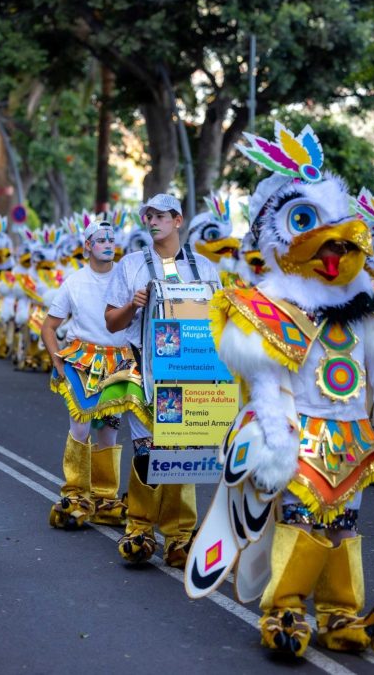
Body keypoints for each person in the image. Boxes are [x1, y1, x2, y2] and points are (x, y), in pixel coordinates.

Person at [186, 122, 374, 658]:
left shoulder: (373, 305)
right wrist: (276, 442)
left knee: (345, 524)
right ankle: (285, 611)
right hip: (300, 434)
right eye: (303, 220)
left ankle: (341, 613)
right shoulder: (268, 309)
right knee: (300, 522)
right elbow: (267, 385)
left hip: (353, 436)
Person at [104, 192, 221, 568]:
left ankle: (179, 537)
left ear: (178, 219)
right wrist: (132, 305)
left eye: (160, 215)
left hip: (189, 372)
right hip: (142, 368)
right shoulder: (131, 266)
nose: (153, 221)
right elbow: (111, 322)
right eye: (148, 216)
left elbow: (218, 324)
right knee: (149, 451)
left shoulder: (204, 268)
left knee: (182, 454)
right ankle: (139, 527)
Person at [43, 217, 130, 529]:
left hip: (118, 364)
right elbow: (49, 327)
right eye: (101, 240)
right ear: (87, 247)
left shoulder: (126, 277)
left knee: (109, 430)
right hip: (82, 363)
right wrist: (57, 363)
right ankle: (77, 494)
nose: (108, 244)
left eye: (111, 240)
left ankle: (106, 498)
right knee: (80, 429)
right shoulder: (74, 282)